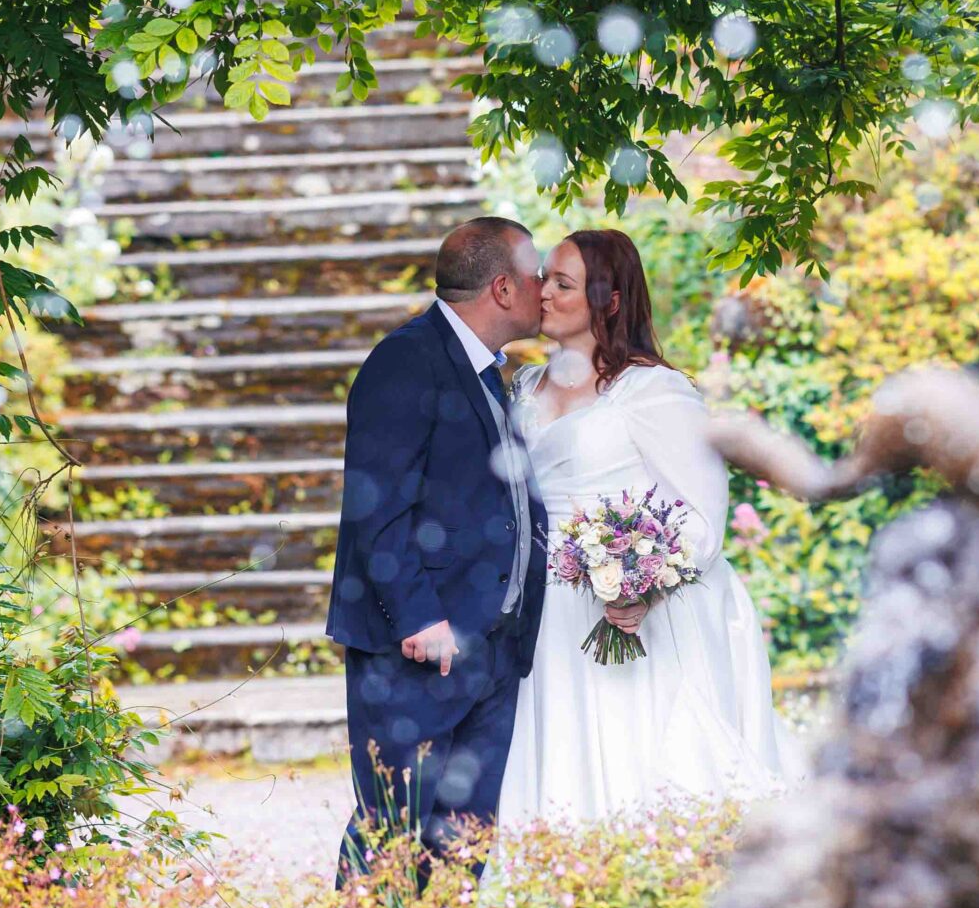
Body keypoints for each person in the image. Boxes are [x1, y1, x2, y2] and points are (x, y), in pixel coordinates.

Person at [499, 229, 792, 824]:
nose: (543, 292)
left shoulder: (654, 391)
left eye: (563, 283)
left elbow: (702, 510)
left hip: (629, 609)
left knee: (632, 751)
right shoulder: (523, 387)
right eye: (543, 278)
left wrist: (642, 586)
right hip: (542, 605)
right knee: (556, 745)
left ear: (608, 300)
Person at [327, 215, 547, 874]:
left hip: (491, 648)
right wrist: (420, 615)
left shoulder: (487, 371)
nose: (546, 289)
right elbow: (378, 509)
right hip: (420, 648)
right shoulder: (406, 360)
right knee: (394, 821)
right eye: (536, 275)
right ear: (503, 289)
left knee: (465, 835)